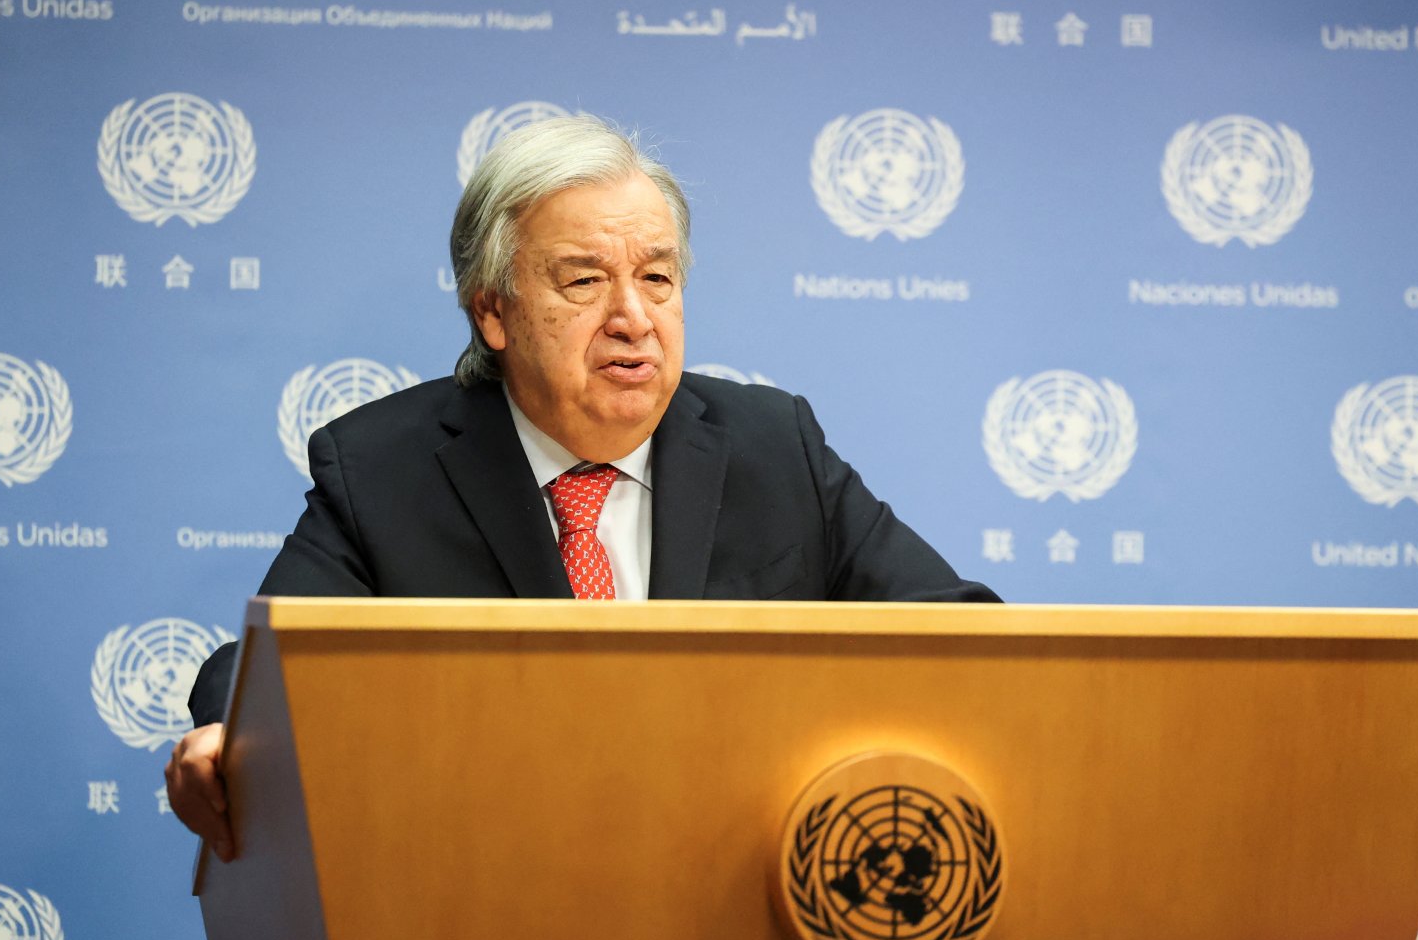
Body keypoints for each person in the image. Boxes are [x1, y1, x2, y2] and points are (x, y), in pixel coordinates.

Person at [166, 115, 998, 861]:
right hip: (490, 891)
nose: (634, 317)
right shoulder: (386, 468)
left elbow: (959, 633)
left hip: (740, 883)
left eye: (658, 279)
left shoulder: (772, 446)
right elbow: (255, 670)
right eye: (585, 281)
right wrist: (226, 732)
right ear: (493, 311)